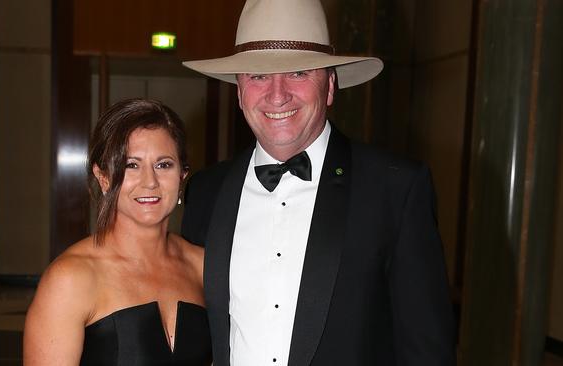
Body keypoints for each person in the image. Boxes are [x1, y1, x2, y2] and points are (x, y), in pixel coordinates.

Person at [180, 0, 456, 365]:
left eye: (299, 73)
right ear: (239, 92)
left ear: (329, 86)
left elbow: (427, 351)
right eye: (258, 76)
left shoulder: (396, 190)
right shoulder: (205, 192)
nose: (277, 95)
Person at [24, 98, 212, 366]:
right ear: (103, 178)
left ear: (182, 176)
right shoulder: (70, 279)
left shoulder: (203, 266)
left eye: (163, 165)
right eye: (131, 165)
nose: (150, 182)